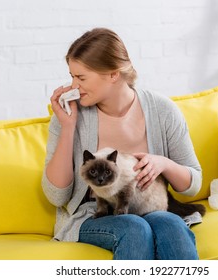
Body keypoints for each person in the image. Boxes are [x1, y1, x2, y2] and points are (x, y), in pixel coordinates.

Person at [42, 27, 202, 260]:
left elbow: (193, 183)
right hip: (93, 214)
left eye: (81, 77)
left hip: (149, 207)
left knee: (172, 225)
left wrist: (163, 163)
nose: (74, 86)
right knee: (134, 228)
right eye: (72, 76)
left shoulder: (163, 110)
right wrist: (68, 127)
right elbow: (56, 196)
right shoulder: (70, 117)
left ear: (113, 74)